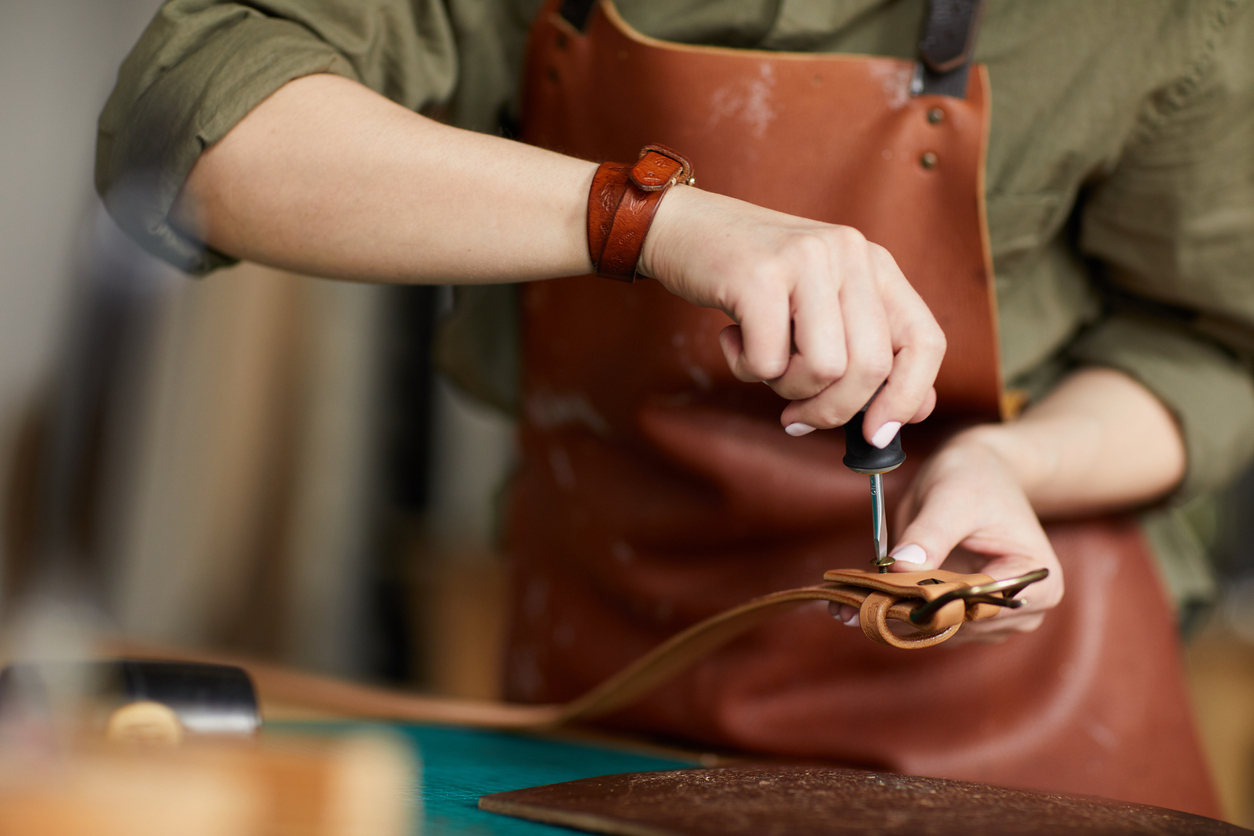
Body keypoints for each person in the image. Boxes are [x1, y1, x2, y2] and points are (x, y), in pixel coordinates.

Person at [97, 0, 1254, 817]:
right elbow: (187, 124)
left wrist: (1020, 463)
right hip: (610, 691)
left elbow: (1208, 344)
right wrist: (652, 221)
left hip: (1018, 728)